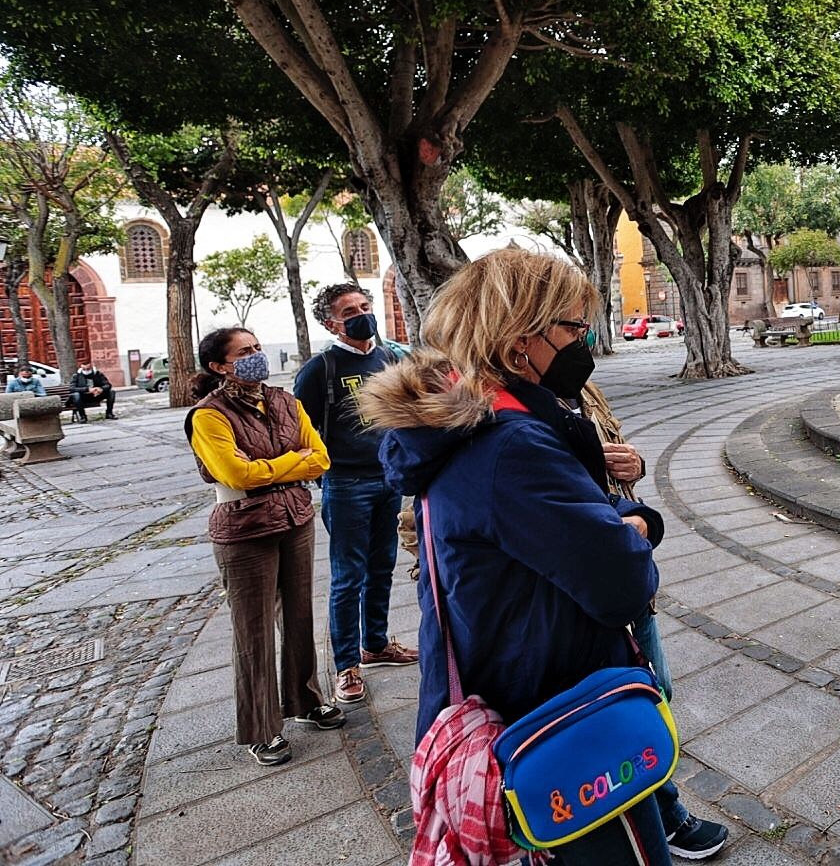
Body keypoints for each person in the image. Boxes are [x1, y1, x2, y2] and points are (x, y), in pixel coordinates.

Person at [358, 248, 672, 866]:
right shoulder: (511, 445)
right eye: (573, 328)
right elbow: (620, 586)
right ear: (519, 336)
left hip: (509, 680)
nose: (583, 342)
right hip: (556, 710)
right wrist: (632, 526)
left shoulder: (459, 428)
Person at [575, 378, 730, 861]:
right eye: (571, 327)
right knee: (633, 705)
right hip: (592, 582)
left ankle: (654, 816)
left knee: (656, 691)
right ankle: (665, 818)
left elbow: (614, 468)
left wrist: (633, 466)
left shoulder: (583, 388)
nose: (582, 337)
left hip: (626, 572)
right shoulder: (518, 411)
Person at [185, 327, 346, 766]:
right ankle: (261, 727)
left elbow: (321, 455)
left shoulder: (284, 400)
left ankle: (307, 700)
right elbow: (236, 475)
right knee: (252, 631)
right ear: (220, 366)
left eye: (257, 348)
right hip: (244, 528)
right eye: (245, 352)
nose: (256, 355)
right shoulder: (208, 416)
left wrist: (272, 468)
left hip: (295, 517)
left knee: (298, 615)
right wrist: (293, 464)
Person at [294, 283, 417, 707]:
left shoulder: (389, 358)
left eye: (366, 306)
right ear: (331, 322)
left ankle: (377, 643)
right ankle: (346, 664)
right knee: (349, 577)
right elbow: (300, 429)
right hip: (346, 484)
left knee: (383, 565)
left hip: (388, 479)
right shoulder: (320, 369)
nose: (363, 314)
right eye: (350, 310)